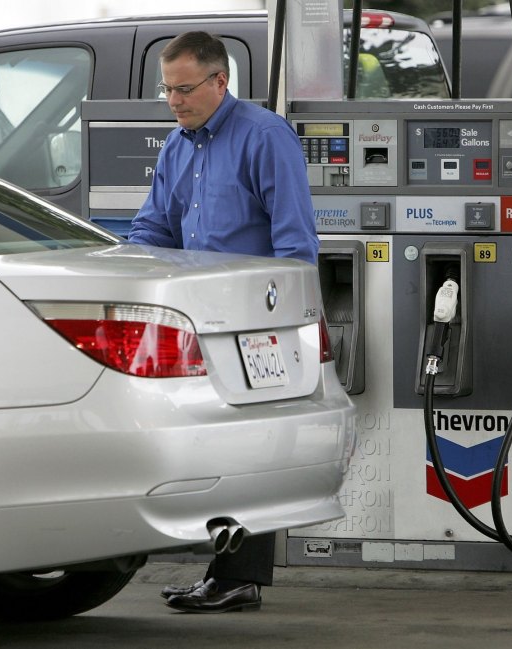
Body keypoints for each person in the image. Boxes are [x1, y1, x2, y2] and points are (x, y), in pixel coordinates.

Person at [127, 31, 319, 613]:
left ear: (220, 81)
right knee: (210, 448)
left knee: (249, 452)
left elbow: (295, 242)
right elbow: (154, 227)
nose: (175, 101)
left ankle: (237, 577)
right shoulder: (177, 146)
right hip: (197, 320)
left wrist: (288, 324)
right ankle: (224, 572)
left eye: (185, 89)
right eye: (167, 90)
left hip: (257, 320)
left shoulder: (264, 136)